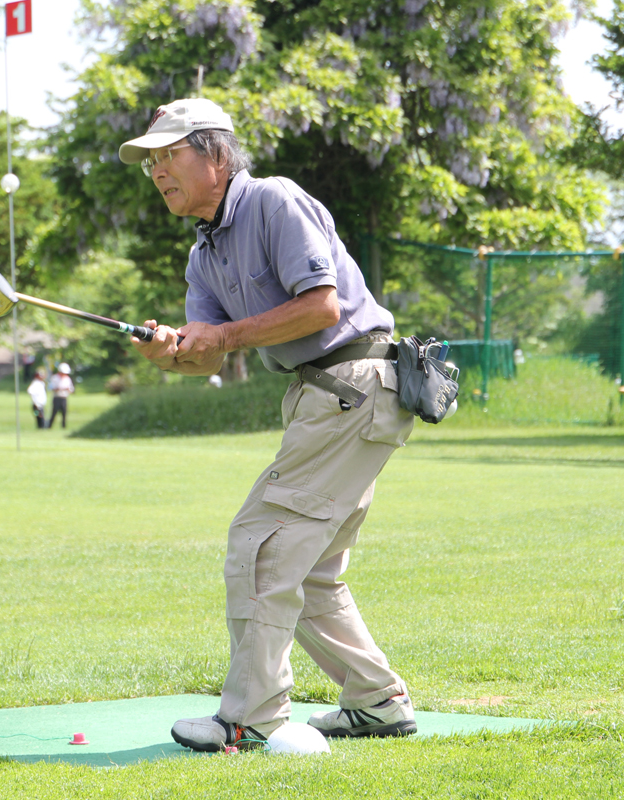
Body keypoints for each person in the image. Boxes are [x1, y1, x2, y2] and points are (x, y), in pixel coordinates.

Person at [121, 98, 417, 751]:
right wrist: (167, 353)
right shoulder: (203, 253)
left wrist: (222, 335)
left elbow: (321, 307)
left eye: (169, 154)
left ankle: (249, 716)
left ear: (217, 154)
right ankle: (378, 702)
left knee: (261, 544)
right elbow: (207, 354)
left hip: (353, 381)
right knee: (309, 569)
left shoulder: (273, 200)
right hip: (323, 395)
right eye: (150, 163)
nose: (159, 172)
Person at [47, 362, 74, 429]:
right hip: (56, 397)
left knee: (64, 413)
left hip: (64, 397)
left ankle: (63, 426)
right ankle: (49, 426)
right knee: (54, 412)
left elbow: (71, 389)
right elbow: (51, 387)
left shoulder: (67, 379)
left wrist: (67, 389)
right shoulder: (55, 378)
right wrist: (59, 389)